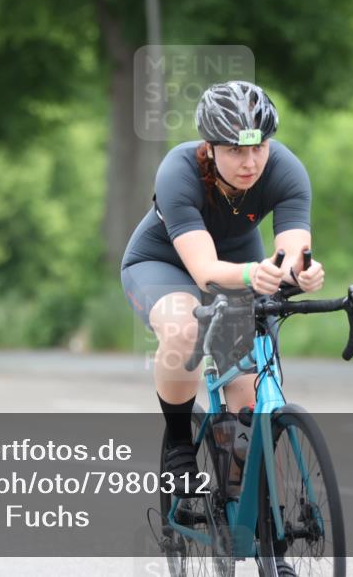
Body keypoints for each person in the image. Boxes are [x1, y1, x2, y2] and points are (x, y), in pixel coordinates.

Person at [120, 81, 324, 571]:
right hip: (165, 264)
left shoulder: (286, 169)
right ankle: (177, 442)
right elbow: (206, 272)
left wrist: (301, 271)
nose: (250, 161)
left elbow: (292, 245)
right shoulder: (179, 171)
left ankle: (242, 517)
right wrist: (258, 275)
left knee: (248, 399)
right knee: (183, 328)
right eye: (235, 150)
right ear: (210, 148)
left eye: (258, 147)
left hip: (242, 265)